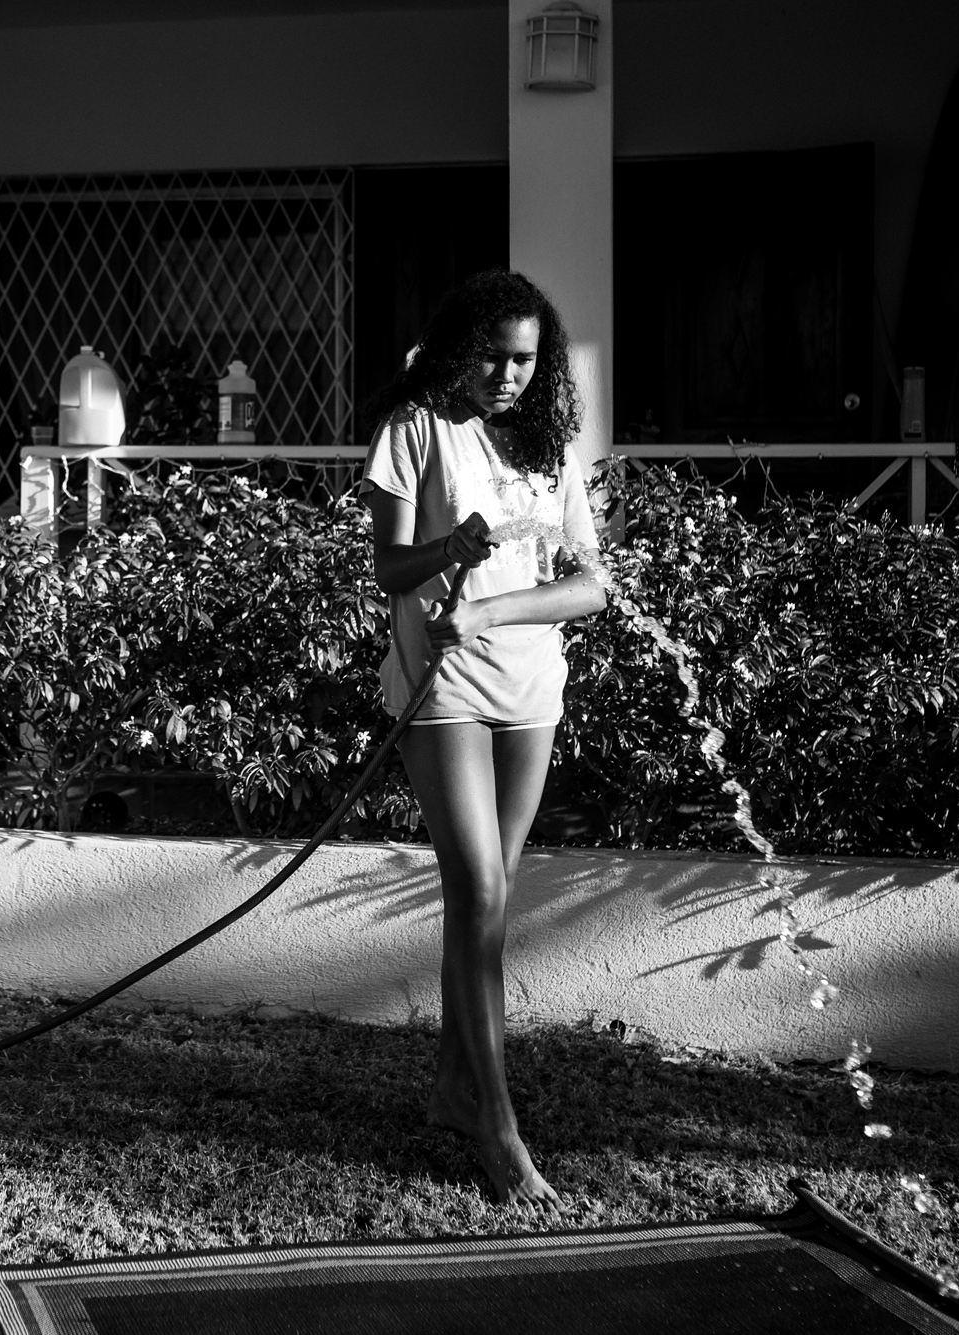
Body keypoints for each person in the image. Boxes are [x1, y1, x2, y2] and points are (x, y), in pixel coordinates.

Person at [358, 269, 607, 1206]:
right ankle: (500, 1132)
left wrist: (496, 601)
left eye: (526, 359)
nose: (509, 375)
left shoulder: (549, 445)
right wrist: (450, 550)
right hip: (445, 689)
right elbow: (389, 566)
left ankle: (452, 1090)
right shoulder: (416, 427)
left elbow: (591, 584)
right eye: (495, 356)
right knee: (482, 889)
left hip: (531, 689)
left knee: (487, 912)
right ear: (461, 346)